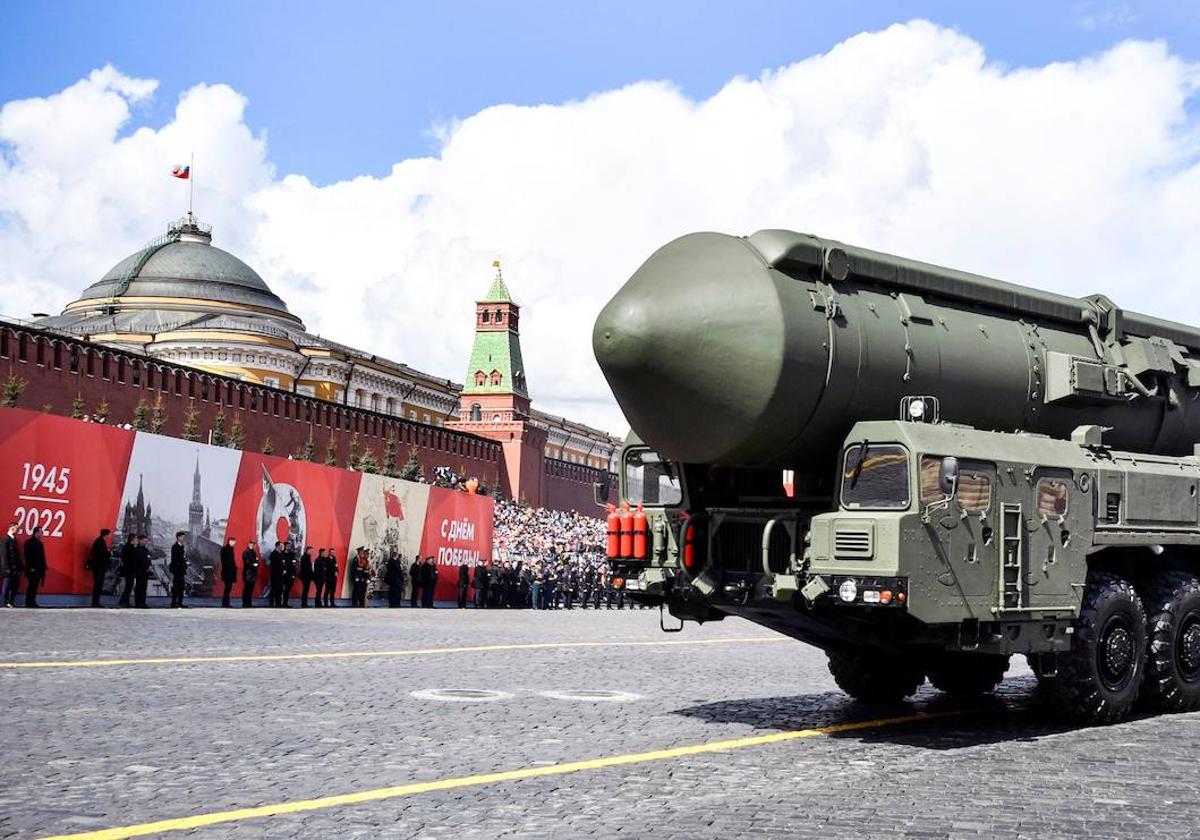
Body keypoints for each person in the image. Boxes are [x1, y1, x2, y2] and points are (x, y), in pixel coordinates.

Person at [86, 528, 112, 607]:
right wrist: (108, 552)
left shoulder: (99, 541)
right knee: (98, 584)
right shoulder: (100, 542)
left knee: (98, 584)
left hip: (98, 567)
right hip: (99, 567)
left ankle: (96, 601)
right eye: (108, 534)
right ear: (106, 534)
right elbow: (101, 555)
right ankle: (95, 602)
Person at [23, 526, 46, 608]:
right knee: (32, 585)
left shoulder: (40, 543)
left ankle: (32, 601)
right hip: (32, 569)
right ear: (36, 532)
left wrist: (44, 567)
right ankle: (29, 602)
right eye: (41, 532)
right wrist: (31, 567)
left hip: (39, 569)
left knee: (35, 586)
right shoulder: (29, 542)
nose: (42, 534)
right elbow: (28, 556)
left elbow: (42, 557)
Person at [2, 522, 22, 608]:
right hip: (9, 569)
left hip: (16, 568)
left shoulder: (14, 540)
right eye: (17, 528)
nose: (18, 530)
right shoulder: (5, 540)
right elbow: (4, 555)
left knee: (15, 585)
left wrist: (21, 567)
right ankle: (6, 601)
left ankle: (11, 601)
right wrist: (6, 568)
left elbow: (17, 555)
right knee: (6, 586)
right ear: (12, 528)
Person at [169, 531, 188, 608]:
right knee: (176, 587)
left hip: (181, 570)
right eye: (183, 537)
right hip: (177, 571)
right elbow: (176, 559)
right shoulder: (175, 547)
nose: (184, 539)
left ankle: (180, 603)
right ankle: (174, 603)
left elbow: (182, 558)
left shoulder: (182, 546)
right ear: (178, 537)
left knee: (181, 587)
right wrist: (183, 564)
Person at [117, 533, 137, 607]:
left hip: (128, 570)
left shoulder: (126, 547)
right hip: (130, 570)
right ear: (132, 539)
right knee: (129, 586)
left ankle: (125, 601)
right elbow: (131, 560)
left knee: (128, 586)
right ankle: (123, 601)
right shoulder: (130, 548)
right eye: (135, 539)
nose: (136, 540)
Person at [133, 535, 151, 608]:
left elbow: (148, 559)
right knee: (139, 587)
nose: (146, 542)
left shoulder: (146, 550)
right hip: (139, 571)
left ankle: (142, 602)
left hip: (145, 572)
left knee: (144, 588)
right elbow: (137, 561)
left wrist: (149, 567)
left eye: (146, 541)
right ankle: (138, 603)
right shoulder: (136, 550)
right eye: (144, 541)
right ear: (140, 540)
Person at [219, 537, 237, 607]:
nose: (234, 543)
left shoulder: (231, 549)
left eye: (234, 542)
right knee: (227, 588)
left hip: (231, 571)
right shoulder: (224, 549)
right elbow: (224, 561)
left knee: (229, 588)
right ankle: (225, 603)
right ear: (229, 541)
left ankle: (226, 603)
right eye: (232, 541)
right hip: (227, 572)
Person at [241, 540, 260, 608]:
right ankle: (245, 603)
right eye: (252, 544)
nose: (253, 546)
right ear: (249, 544)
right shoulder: (246, 552)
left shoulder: (253, 552)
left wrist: (256, 564)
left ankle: (248, 602)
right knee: (247, 589)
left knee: (250, 589)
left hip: (252, 573)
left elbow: (257, 561)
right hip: (248, 574)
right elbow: (247, 563)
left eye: (254, 545)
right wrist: (254, 565)